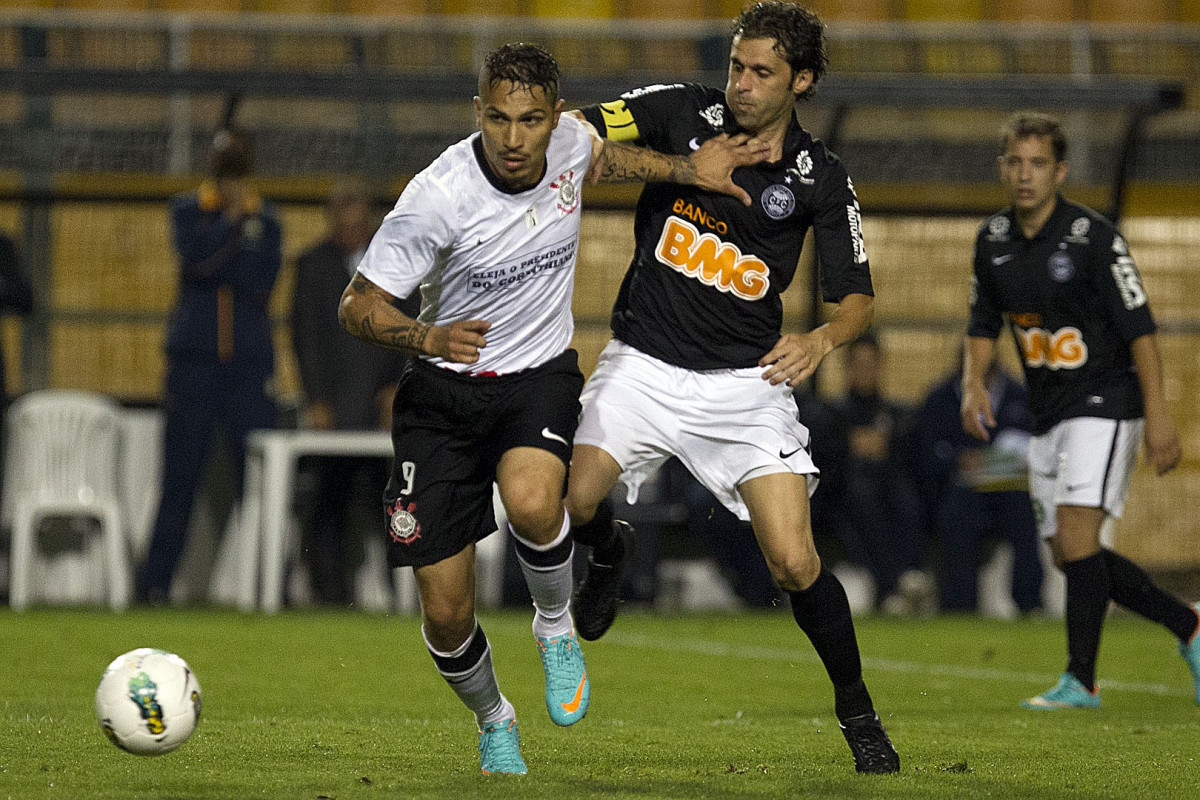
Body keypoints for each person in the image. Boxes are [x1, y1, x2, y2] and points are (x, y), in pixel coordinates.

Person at [337, 43, 767, 775]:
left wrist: (686, 170)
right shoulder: (438, 195)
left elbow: (603, 162)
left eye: (531, 120)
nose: (514, 138)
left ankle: (554, 625)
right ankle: (494, 717)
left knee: (538, 502)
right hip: (441, 393)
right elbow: (356, 306)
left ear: (552, 117)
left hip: (536, 375)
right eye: (499, 119)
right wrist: (426, 333)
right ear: (478, 112)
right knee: (445, 614)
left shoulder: (570, 142)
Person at [565, 3, 900, 774]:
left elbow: (859, 299)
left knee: (794, 562)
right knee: (571, 503)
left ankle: (859, 715)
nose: (741, 86)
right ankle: (609, 551)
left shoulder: (821, 176)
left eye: (761, 73)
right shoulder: (681, 111)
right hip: (643, 364)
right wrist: (683, 169)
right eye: (735, 67)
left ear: (802, 81)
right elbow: (574, 133)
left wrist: (819, 341)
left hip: (744, 388)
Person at [961, 110, 1200, 709]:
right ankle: (1190, 626)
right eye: (1015, 162)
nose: (1025, 175)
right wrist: (973, 384)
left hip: (1106, 403)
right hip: (1049, 413)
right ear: (1001, 167)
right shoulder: (992, 241)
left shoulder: (1093, 239)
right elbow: (983, 322)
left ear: (1060, 171)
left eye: (1037, 164)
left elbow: (1141, 329)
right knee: (1068, 557)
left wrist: (1160, 414)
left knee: (1076, 538)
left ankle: (1081, 681)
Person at [138, 127, 281, 605]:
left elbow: (259, 283)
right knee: (178, 482)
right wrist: (233, 227)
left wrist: (228, 244)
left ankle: (271, 590)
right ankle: (152, 587)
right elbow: (197, 264)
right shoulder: (187, 210)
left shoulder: (269, 218)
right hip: (194, 365)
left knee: (257, 487)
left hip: (248, 370)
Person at [291, 180, 412, 606]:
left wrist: (398, 387)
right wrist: (316, 399)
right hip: (335, 407)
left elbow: (410, 326)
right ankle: (329, 595)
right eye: (340, 219)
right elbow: (305, 337)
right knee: (328, 502)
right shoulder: (312, 265)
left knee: (396, 503)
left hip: (382, 407)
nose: (349, 228)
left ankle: (401, 595)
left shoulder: (397, 263)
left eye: (357, 220)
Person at [913, 358, 1043, 614]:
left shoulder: (1018, 394)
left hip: (1009, 490)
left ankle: (1030, 605)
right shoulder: (941, 397)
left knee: (1024, 514)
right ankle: (960, 607)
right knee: (958, 517)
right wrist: (956, 461)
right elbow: (925, 451)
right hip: (959, 492)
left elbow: (1036, 441)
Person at [829, 332, 930, 614]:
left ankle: (909, 575)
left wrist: (883, 448)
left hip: (889, 488)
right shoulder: (834, 413)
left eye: (870, 364)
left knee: (906, 499)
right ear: (848, 367)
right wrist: (850, 445)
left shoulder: (893, 413)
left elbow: (907, 456)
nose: (865, 372)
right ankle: (897, 582)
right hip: (847, 498)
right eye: (859, 365)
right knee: (862, 500)